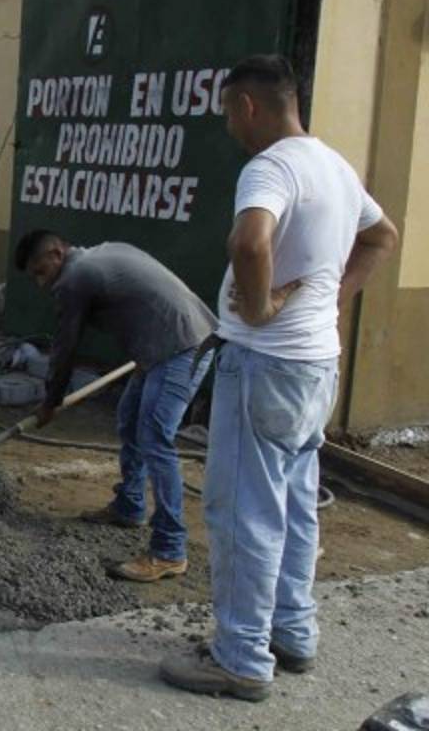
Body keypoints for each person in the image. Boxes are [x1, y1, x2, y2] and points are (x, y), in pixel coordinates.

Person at [160, 55, 398, 702]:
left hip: (264, 365)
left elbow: (250, 243)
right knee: (294, 505)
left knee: (243, 511)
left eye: (228, 114)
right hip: (317, 364)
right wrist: (332, 296)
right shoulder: (335, 167)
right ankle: (293, 633)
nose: (230, 128)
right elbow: (382, 236)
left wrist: (262, 308)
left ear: (248, 107)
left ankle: (240, 659)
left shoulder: (269, 167)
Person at [16, 231, 216, 581]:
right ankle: (130, 505)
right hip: (166, 343)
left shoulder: (75, 278)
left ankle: (169, 550)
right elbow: (143, 300)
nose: (40, 283)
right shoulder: (102, 253)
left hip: (182, 346)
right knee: (129, 417)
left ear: (56, 253)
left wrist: (50, 402)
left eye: (40, 272)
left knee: (155, 439)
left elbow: (65, 347)